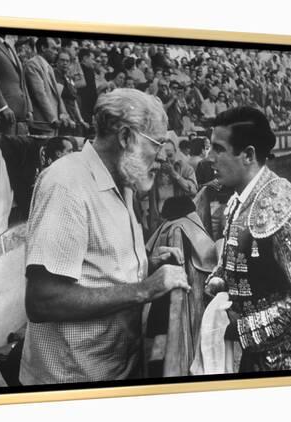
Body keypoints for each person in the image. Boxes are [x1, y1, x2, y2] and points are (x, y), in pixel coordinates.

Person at [19, 89, 190, 385]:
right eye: (157, 143)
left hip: (115, 368)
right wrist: (145, 289)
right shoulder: (67, 185)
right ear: (125, 137)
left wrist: (146, 264)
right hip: (70, 383)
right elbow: (43, 301)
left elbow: (98, 269)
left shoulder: (122, 179)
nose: (162, 156)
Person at [205, 106, 291, 372]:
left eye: (218, 149)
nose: (208, 157)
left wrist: (243, 329)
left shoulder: (281, 207)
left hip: (284, 362)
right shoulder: (242, 199)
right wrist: (220, 278)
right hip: (255, 357)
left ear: (248, 155)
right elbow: (245, 259)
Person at [24, 37, 71, 136]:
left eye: (57, 50)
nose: (56, 52)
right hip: (43, 122)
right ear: (43, 48)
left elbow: (57, 95)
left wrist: (63, 114)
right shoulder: (33, 64)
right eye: (53, 49)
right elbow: (40, 94)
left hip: (52, 123)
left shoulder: (49, 67)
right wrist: (52, 118)